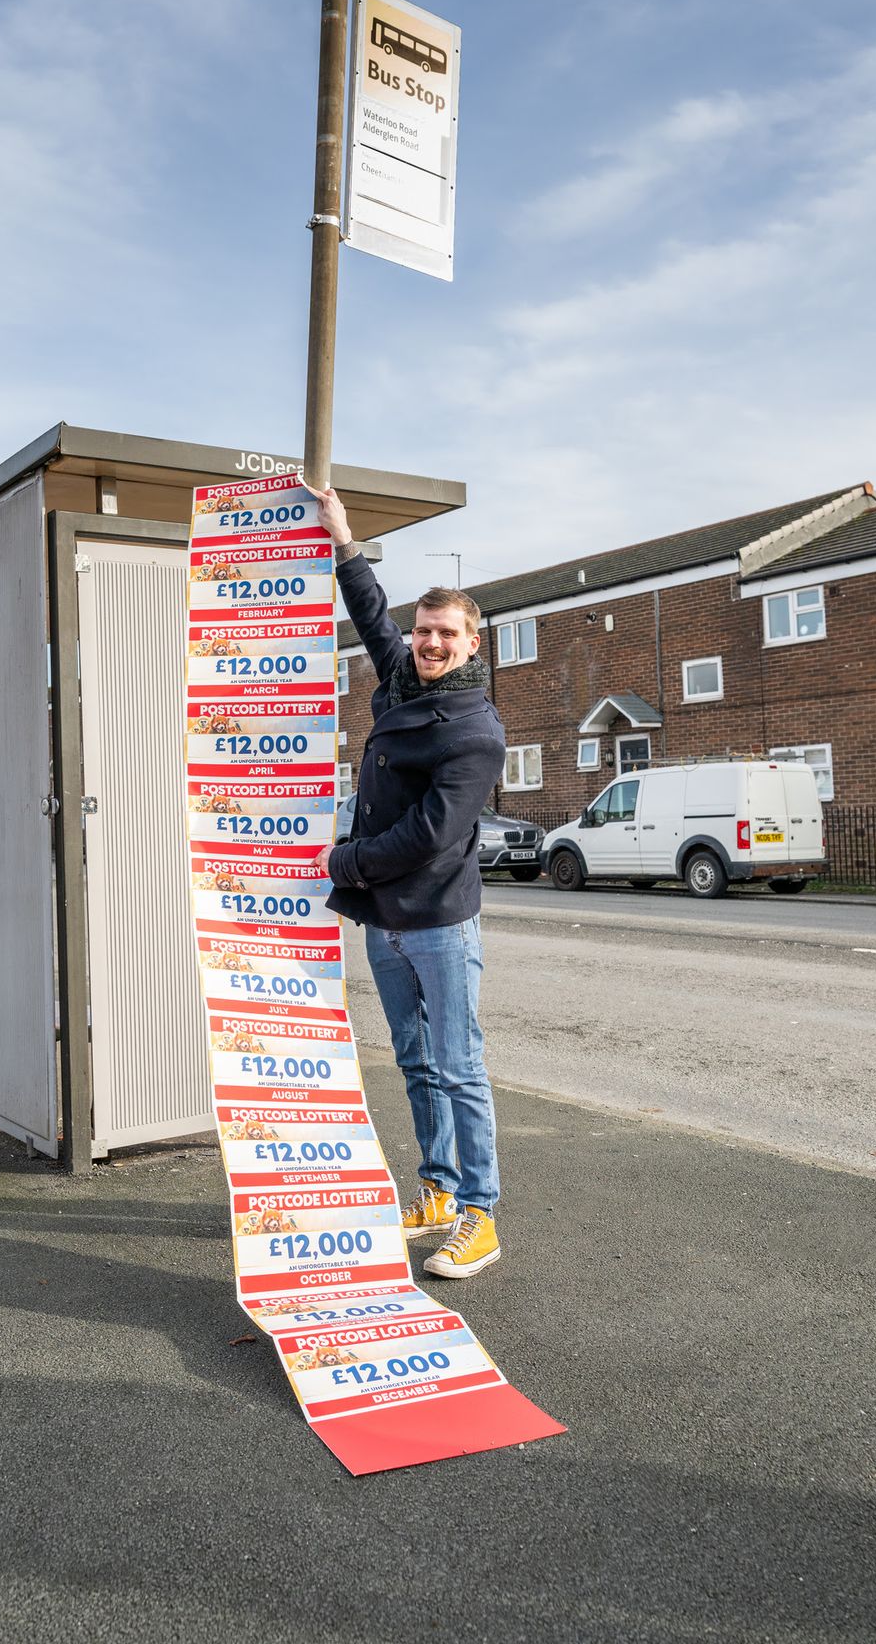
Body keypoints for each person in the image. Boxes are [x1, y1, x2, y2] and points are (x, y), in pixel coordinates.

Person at [309, 484, 506, 1279]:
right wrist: (344, 539)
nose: (428, 642)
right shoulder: (400, 681)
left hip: (437, 918)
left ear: (470, 643)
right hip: (386, 919)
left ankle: (480, 1216)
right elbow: (368, 611)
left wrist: (346, 861)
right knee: (415, 1061)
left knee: (458, 1065)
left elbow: (431, 833)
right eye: (424, 630)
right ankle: (434, 1190)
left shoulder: (474, 730)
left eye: (444, 634)